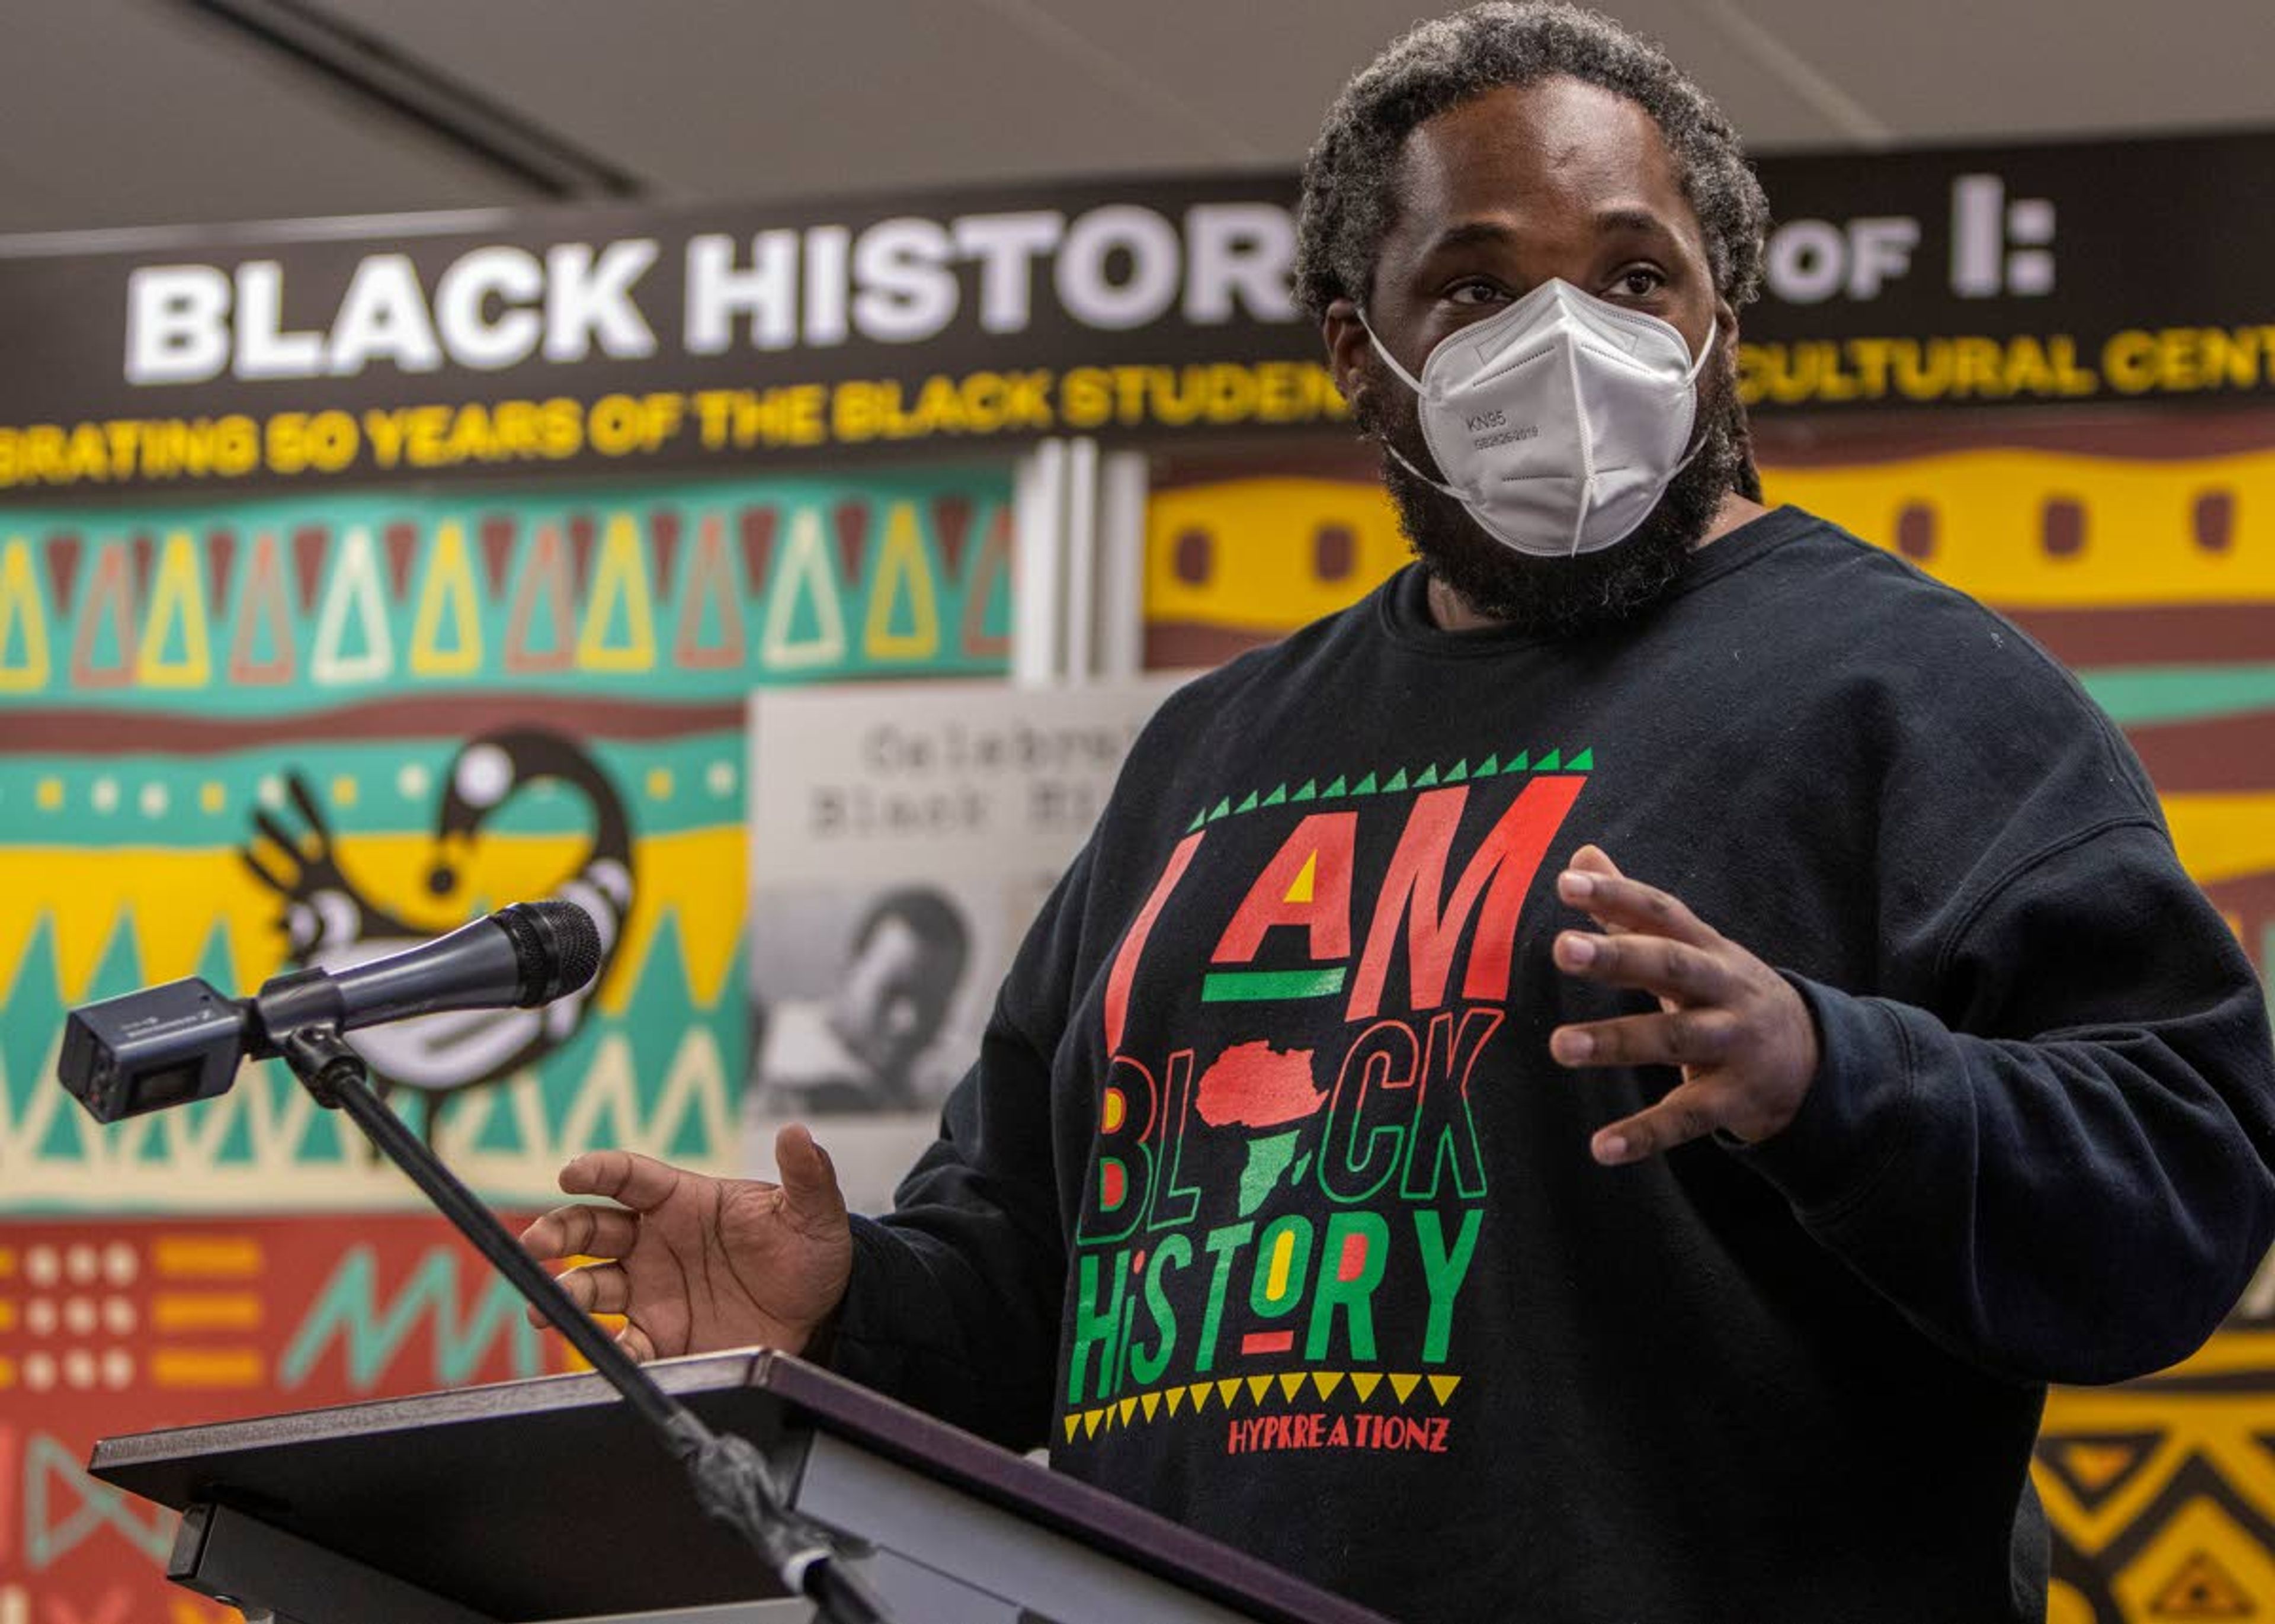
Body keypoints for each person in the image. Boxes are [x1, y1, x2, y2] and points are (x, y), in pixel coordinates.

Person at [521, 6, 2275, 1619]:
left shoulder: (1907, 690)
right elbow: (1037, 1285)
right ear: (1364, 359)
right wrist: (846, 1308)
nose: (1569, 340)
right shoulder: (1206, 753)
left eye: (1631, 274)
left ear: (1716, 323)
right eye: (1478, 287)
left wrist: (1834, 1074)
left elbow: (2181, 1180)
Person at [746, 885, 972, 1115]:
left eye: (932, 1003)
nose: (907, 1022)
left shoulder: (946, 1088)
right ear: (847, 970)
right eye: (892, 992)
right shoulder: (755, 1065)